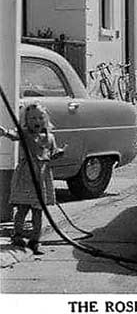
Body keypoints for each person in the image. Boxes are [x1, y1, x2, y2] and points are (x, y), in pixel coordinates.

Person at [0, 103, 65, 255]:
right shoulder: (24, 134)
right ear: (26, 121)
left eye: (40, 117)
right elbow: (14, 135)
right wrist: (5, 132)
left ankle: (35, 240)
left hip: (41, 177)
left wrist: (58, 153)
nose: (37, 121)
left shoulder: (49, 137)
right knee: (22, 209)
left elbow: (52, 152)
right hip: (25, 177)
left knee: (38, 211)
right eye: (32, 118)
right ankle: (17, 236)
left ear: (45, 119)